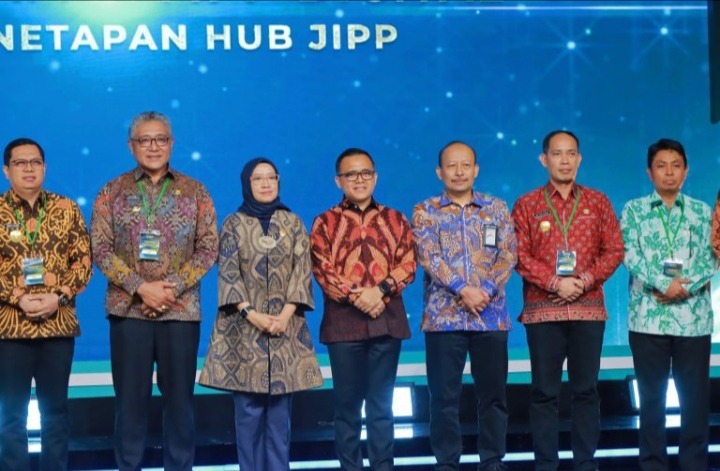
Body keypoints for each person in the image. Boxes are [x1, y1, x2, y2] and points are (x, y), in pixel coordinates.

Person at [90, 111, 219, 471]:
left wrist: (168, 290)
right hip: (128, 311)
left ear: (171, 144)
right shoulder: (111, 191)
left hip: (180, 310)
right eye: (144, 140)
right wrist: (141, 288)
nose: (153, 147)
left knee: (180, 403)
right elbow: (100, 248)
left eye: (160, 139)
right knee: (129, 403)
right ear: (131, 146)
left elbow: (209, 247)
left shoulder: (196, 191)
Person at [199, 157, 323, 470]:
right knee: (248, 415)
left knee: (280, 419)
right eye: (258, 178)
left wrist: (285, 315)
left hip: (285, 330)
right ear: (247, 184)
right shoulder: (233, 224)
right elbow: (228, 274)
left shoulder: (292, 222)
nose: (266, 183)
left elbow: (302, 272)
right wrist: (251, 314)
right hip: (244, 330)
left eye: (271, 177)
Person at [511, 130, 624, 471]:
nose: (565, 160)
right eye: (557, 154)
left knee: (586, 390)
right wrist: (555, 283)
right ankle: (546, 464)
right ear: (544, 159)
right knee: (544, 392)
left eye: (571, 153)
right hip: (542, 311)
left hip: (588, 311)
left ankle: (585, 463)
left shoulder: (598, 202)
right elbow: (518, 254)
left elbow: (614, 250)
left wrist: (583, 281)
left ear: (579, 158)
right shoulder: (527, 204)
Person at [412, 140, 516, 471]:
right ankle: (446, 463)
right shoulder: (425, 210)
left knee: (494, 396)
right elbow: (429, 257)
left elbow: (508, 254)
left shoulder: (496, 208)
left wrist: (484, 290)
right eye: (452, 166)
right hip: (444, 319)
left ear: (476, 170)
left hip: (490, 316)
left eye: (466, 165)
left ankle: (492, 461)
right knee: (444, 398)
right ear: (439, 172)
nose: (459, 172)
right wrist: (463, 289)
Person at [310, 148, 416, 471]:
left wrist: (379, 291)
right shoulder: (325, 222)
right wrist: (358, 296)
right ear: (338, 181)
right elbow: (322, 269)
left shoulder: (396, 219)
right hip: (344, 325)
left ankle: (383, 466)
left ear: (375, 177)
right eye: (351, 174)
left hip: (387, 323)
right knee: (347, 407)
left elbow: (408, 264)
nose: (359, 180)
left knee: (382, 406)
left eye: (366, 173)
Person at [621, 138, 716, 471]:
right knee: (651, 401)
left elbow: (713, 255)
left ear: (686, 171)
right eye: (661, 166)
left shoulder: (703, 212)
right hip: (648, 320)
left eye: (676, 166)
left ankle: (694, 464)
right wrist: (664, 284)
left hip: (693, 320)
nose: (669, 172)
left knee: (695, 402)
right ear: (650, 173)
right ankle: (652, 465)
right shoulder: (633, 210)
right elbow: (629, 253)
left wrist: (683, 288)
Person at [0, 137, 92, 471]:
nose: (29, 168)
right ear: (6, 170)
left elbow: (83, 262)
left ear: (45, 167)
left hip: (57, 326)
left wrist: (59, 296)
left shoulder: (66, 209)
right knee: (10, 415)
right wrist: (17, 298)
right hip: (10, 330)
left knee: (56, 412)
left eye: (35, 162)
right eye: (20, 163)